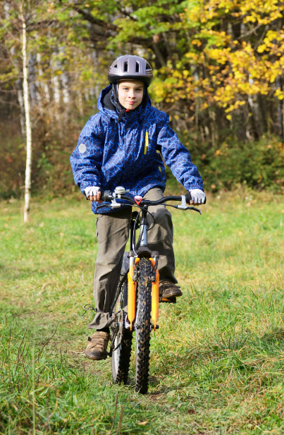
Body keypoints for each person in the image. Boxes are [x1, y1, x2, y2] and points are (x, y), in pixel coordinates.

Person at [70, 55, 205, 360]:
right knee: (108, 260)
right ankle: (101, 329)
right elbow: (83, 158)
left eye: (138, 90)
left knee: (160, 214)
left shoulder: (155, 119)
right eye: (126, 88)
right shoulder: (100, 121)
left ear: (145, 91)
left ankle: (165, 280)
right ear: (115, 88)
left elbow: (175, 153)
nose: (132, 95)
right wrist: (90, 184)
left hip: (145, 183)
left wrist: (192, 184)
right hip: (109, 189)